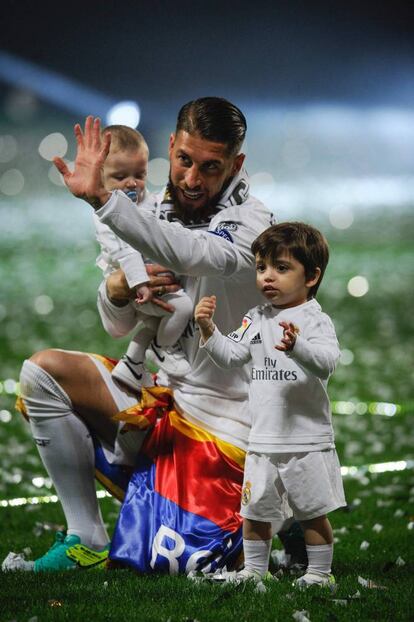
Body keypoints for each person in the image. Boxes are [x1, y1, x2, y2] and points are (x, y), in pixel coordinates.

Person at [11, 97, 295, 574]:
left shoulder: (253, 225)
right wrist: (118, 289)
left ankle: (271, 512)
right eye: (184, 160)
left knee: (185, 563)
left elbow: (192, 253)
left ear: (236, 165)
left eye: (210, 167)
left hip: (229, 433)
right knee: (43, 375)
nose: (191, 179)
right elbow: (118, 325)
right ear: (171, 145)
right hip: (163, 402)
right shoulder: (153, 207)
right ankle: (86, 537)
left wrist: (105, 202)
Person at [195, 222, 346, 587]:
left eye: (281, 268)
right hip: (263, 439)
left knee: (312, 512)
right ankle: (252, 572)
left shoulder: (314, 319)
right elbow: (231, 356)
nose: (267, 277)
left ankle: (319, 574)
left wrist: (298, 348)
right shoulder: (255, 317)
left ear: (311, 276)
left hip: (305, 439)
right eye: (261, 267)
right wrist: (209, 330)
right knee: (255, 510)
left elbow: (327, 361)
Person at [93, 124, 193, 390]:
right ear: (100, 178)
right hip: (141, 287)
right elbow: (125, 252)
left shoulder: (147, 201)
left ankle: (132, 365)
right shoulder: (108, 214)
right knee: (181, 308)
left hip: (150, 281)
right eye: (120, 176)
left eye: (140, 174)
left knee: (153, 322)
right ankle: (163, 350)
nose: (131, 183)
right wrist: (140, 284)